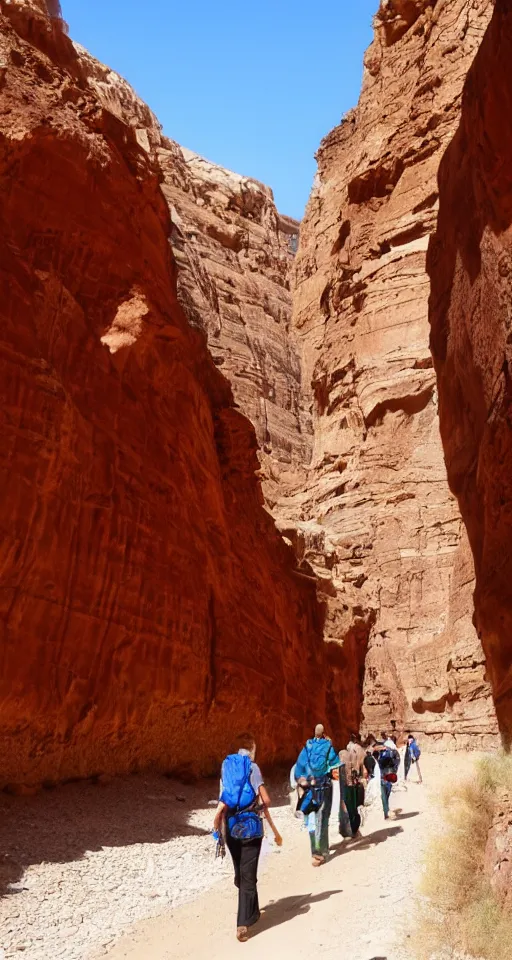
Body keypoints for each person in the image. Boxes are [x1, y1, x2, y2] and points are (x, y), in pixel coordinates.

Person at [213, 733, 280, 943]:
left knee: (242, 873)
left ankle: (253, 911)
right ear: (251, 750)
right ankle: (242, 924)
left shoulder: (227, 768)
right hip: (250, 826)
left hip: (230, 826)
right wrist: (260, 806)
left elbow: (223, 799)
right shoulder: (253, 767)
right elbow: (266, 799)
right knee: (248, 877)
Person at [294, 723, 341, 866]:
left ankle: (314, 851)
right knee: (323, 817)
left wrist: (301, 781)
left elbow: (299, 768)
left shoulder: (307, 746)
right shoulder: (328, 746)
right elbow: (335, 764)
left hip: (309, 787)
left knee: (311, 819)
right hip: (324, 785)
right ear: (323, 732)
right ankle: (323, 850)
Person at [339, 734, 365, 838]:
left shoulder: (341, 755)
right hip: (353, 785)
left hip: (346, 786)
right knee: (353, 808)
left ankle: (349, 830)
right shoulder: (355, 753)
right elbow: (359, 769)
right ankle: (354, 829)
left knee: (347, 807)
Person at [375, 738, 400, 820]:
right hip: (388, 776)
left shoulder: (386, 753)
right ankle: (386, 811)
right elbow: (397, 763)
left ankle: (386, 812)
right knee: (386, 794)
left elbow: (380, 763)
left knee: (384, 795)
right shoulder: (395, 753)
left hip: (384, 776)